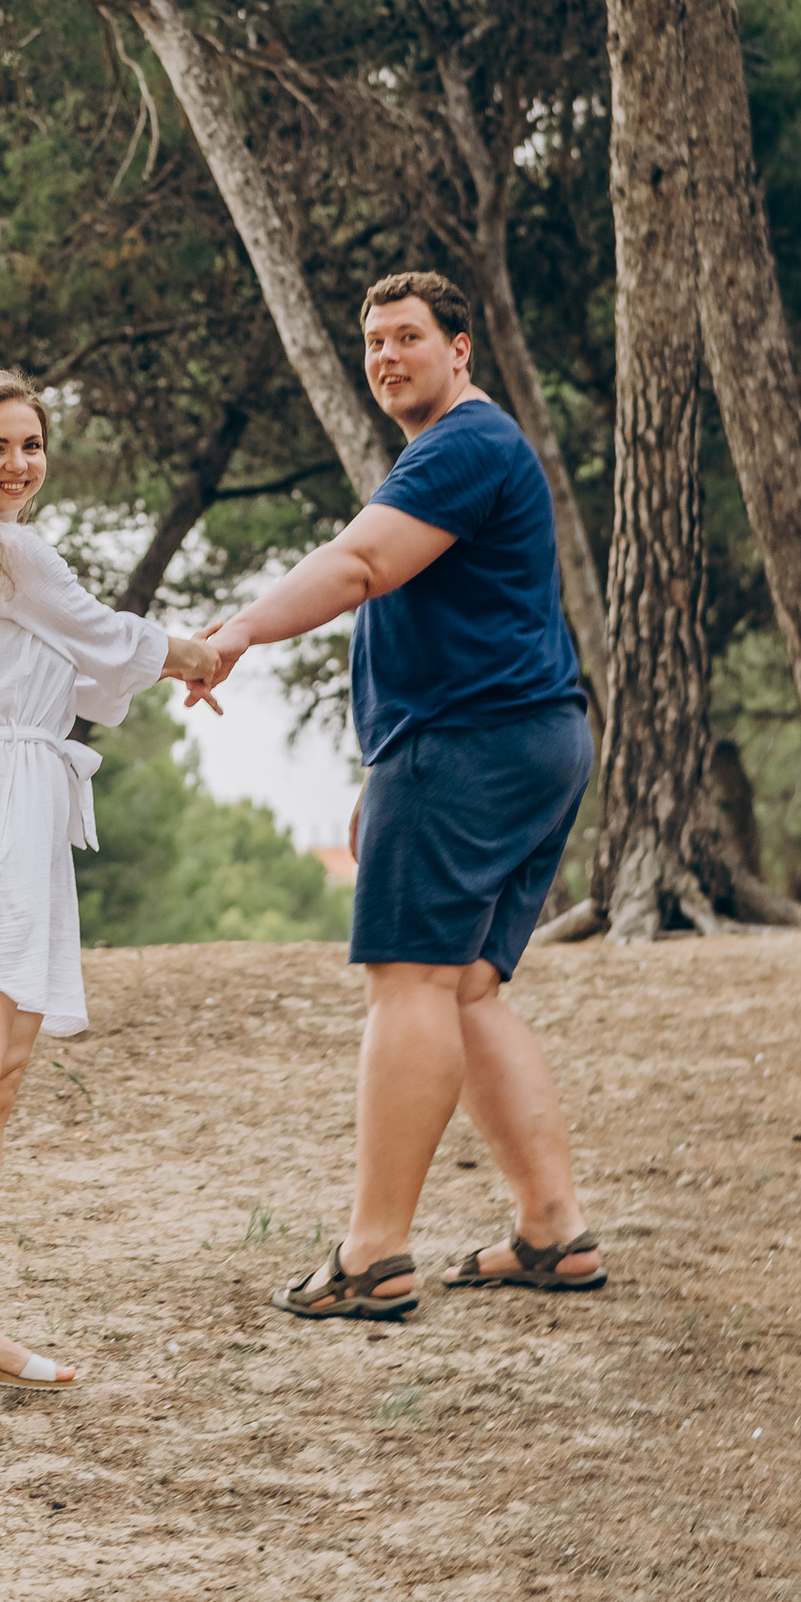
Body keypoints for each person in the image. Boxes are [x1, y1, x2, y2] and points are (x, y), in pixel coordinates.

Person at [181, 271, 603, 1318]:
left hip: (472, 744)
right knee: (464, 987)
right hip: (526, 739)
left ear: (460, 349)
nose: (385, 357)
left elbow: (361, 564)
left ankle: (372, 1257)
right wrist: (392, 766)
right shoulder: (463, 452)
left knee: (408, 985)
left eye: (408, 337)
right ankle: (553, 1232)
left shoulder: (465, 443)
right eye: (372, 342)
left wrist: (232, 633)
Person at [0, 367, 225, 1439]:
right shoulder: (4, 551)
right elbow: (107, 637)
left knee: (4, 1074)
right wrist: (203, 652)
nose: (18, 464)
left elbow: (78, 673)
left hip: (20, 809)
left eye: (31, 445)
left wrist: (163, 658)